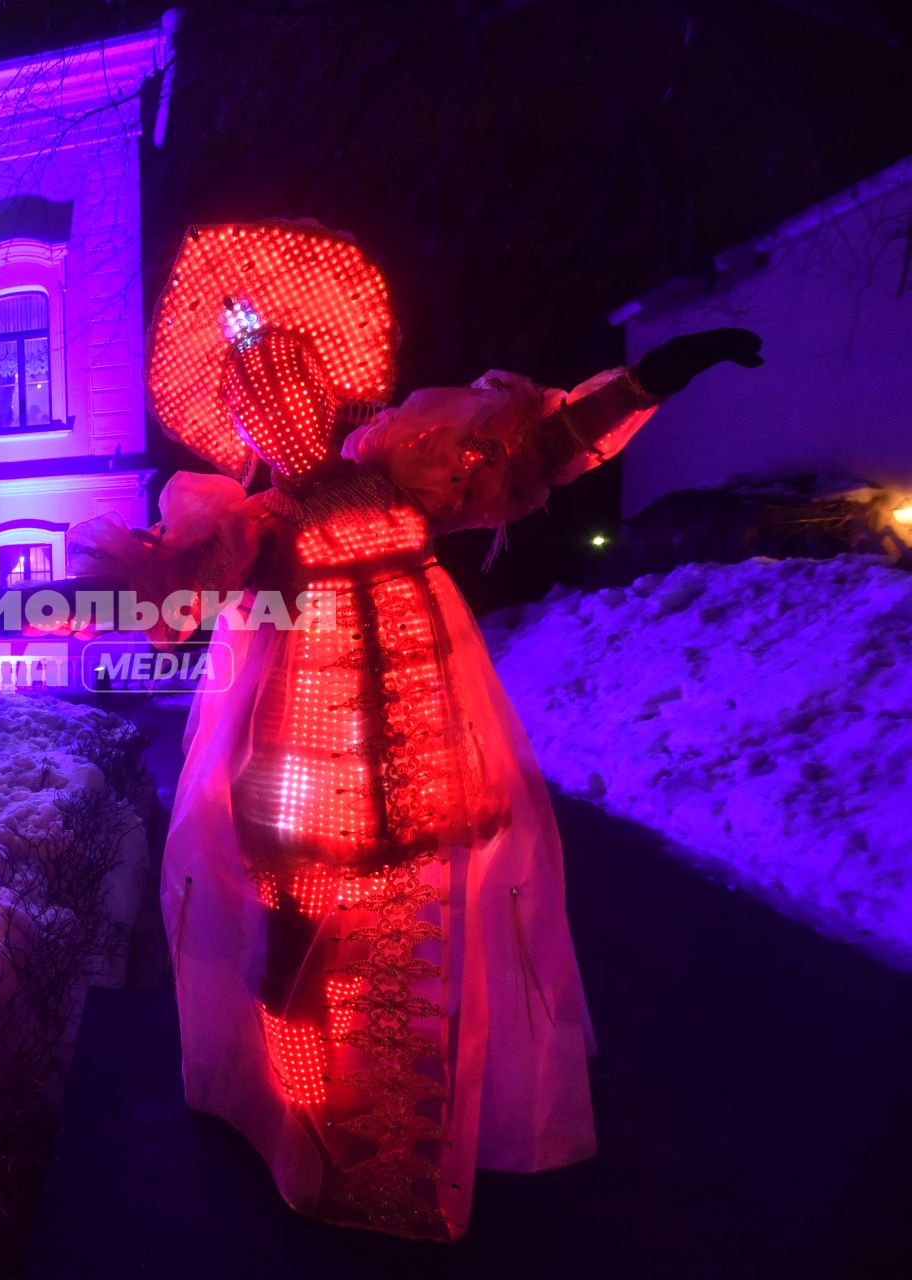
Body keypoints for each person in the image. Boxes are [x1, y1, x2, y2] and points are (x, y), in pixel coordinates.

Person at [70, 220, 762, 1241]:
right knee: (295, 955)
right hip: (299, 775)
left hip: (425, 757)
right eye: (253, 393)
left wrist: (650, 378)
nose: (279, 401)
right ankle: (307, 1120)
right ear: (237, 424)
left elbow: (539, 446)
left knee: (415, 949)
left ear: (326, 386)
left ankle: (402, 1128)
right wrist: (29, 602)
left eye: (292, 379)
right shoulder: (245, 528)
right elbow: (149, 591)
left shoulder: (401, 470)